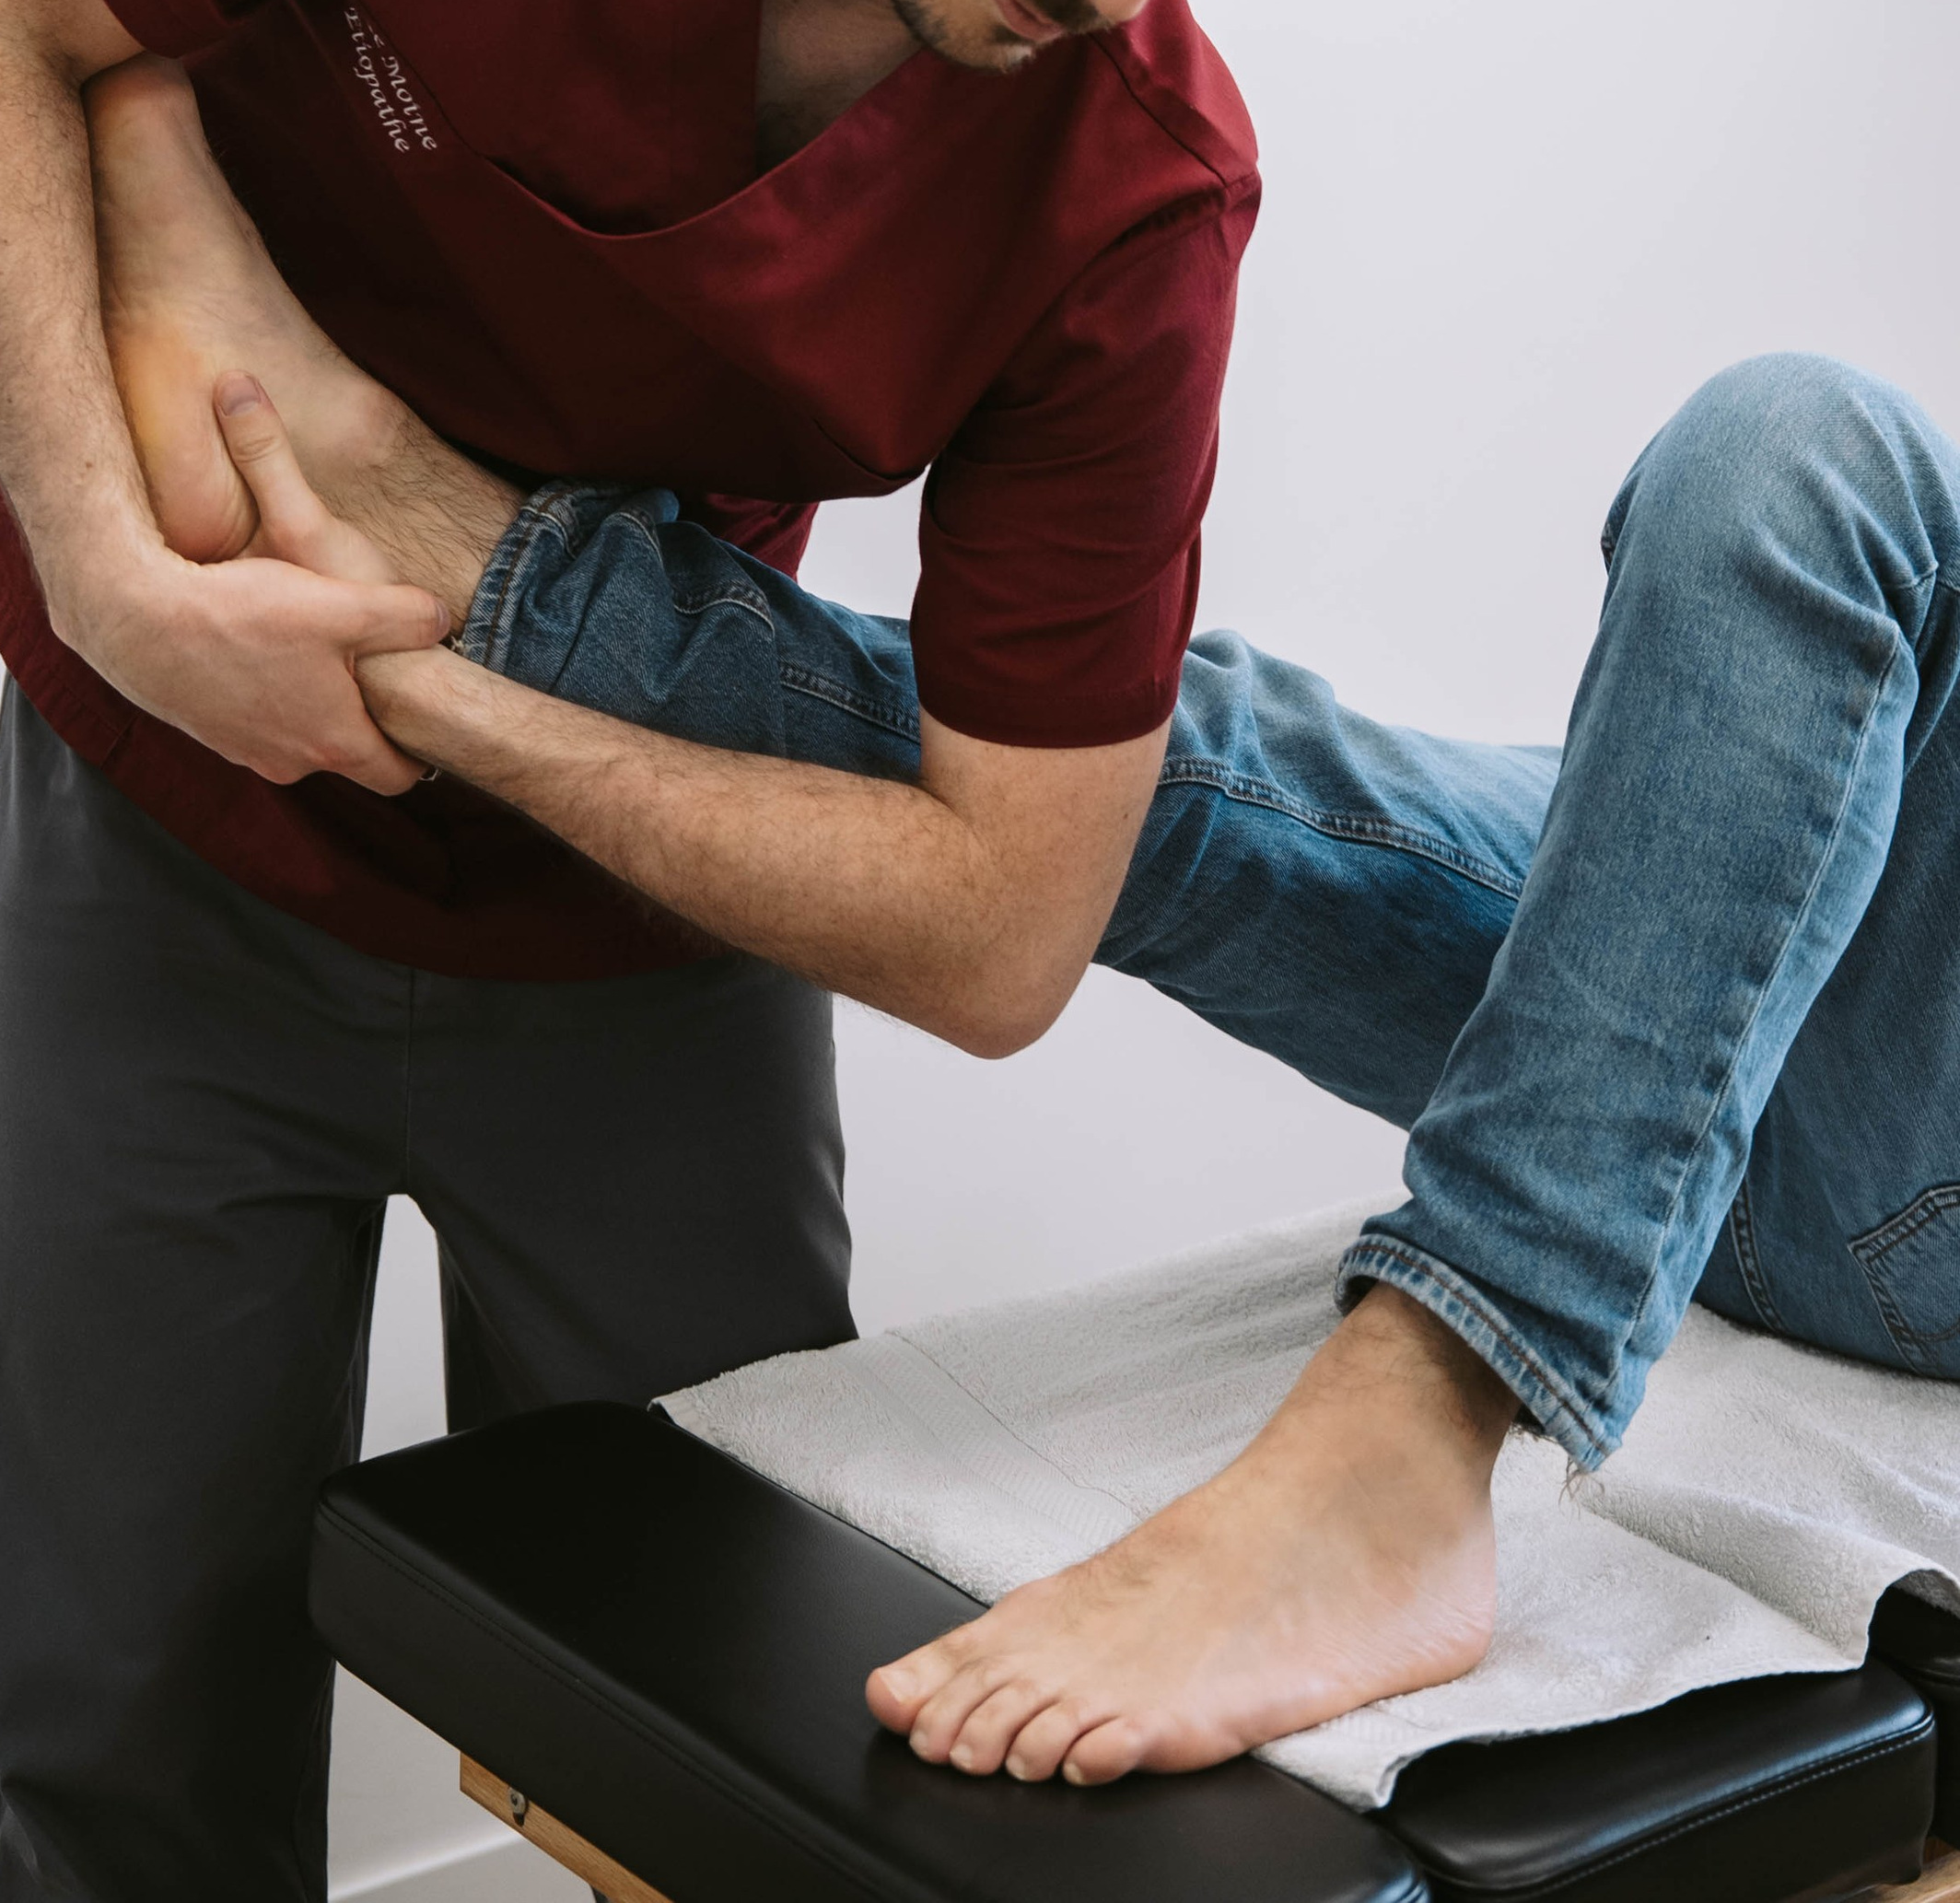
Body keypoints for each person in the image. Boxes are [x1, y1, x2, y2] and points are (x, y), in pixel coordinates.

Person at [0, 0, 1415, 1901]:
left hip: (658, 953)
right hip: (157, 855)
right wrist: (124, 588)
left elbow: (1011, 927)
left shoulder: (1136, 182)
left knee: (718, 1737)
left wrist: (450, 658)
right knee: (110, 1720)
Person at [96, 114, 1960, 1798]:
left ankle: (1423, 1422)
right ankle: (479, 584)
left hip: (1912, 1175)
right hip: (1843, 960)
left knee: (1794, 438)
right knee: (1167, 781)